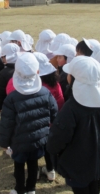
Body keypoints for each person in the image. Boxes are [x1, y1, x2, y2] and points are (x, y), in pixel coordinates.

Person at [47, 56, 100, 194]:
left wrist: (52, 149)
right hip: (98, 163)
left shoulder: (72, 107)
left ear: (75, 78)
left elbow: (58, 137)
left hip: (76, 166)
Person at [0, 53, 58, 194]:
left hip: (18, 141)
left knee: (18, 166)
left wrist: (3, 142)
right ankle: (31, 189)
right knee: (33, 164)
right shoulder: (45, 93)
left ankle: (19, 189)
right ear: (37, 72)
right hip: (38, 139)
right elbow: (55, 115)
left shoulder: (12, 98)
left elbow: (6, 124)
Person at [33, 52, 64, 182]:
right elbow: (60, 101)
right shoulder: (55, 83)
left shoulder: (34, 85)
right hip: (51, 122)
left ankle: (34, 172)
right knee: (48, 147)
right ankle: (50, 170)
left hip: (36, 123)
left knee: (34, 146)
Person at [0, 43, 20, 112]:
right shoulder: (23, 68)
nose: (2, 59)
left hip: (9, 106)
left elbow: (0, 92)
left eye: (2, 57)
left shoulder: (3, 73)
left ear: (6, 57)